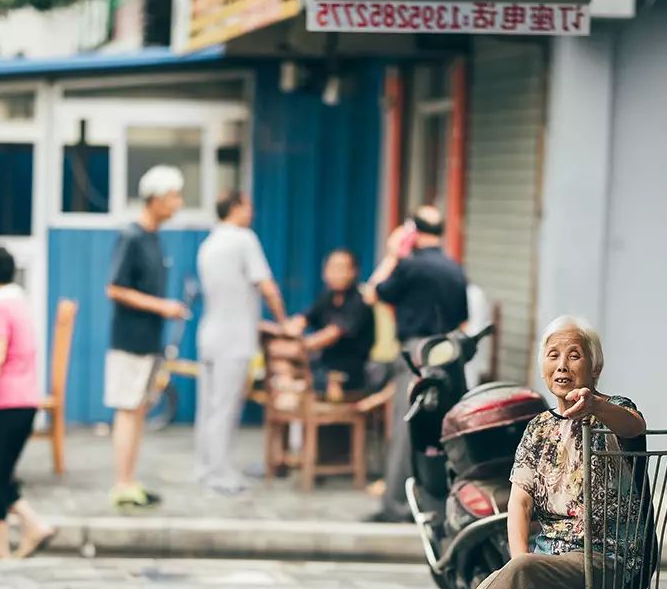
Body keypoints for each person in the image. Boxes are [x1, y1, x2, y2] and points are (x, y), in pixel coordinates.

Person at [386, 316, 649, 589]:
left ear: (594, 367)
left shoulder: (613, 410)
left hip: (609, 563)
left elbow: (635, 427)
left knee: (519, 573)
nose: (563, 364)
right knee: (514, 587)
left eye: (574, 354)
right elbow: (520, 505)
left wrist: (596, 406)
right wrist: (521, 564)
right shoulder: (538, 429)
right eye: (553, 355)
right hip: (550, 565)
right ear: (543, 368)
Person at [363, 205, 469, 522]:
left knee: (407, 426)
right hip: (449, 354)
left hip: (417, 354)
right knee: (442, 431)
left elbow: (373, 292)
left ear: (413, 231)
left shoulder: (409, 266)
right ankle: (438, 508)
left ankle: (397, 506)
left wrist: (394, 252)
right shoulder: (454, 268)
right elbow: (463, 318)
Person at [104, 165, 189, 509]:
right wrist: (162, 306)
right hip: (130, 339)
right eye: (173, 197)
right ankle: (121, 483)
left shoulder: (153, 236)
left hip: (149, 339)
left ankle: (131, 480)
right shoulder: (132, 235)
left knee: (138, 409)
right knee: (127, 409)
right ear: (154, 199)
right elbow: (114, 288)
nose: (178, 204)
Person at [195, 191, 289, 494]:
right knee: (225, 407)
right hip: (234, 338)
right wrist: (284, 322)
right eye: (249, 206)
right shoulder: (243, 239)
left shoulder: (209, 244)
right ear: (235, 208)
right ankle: (220, 474)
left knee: (208, 406)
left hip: (209, 333)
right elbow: (266, 286)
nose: (252, 212)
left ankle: (204, 466)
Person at [0, 246, 55, 560]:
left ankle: (1, 546)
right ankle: (31, 527)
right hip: (26, 401)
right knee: (1, 473)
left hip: (4, 403)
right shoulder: (20, 304)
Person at [277, 248, 376, 395]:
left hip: (350, 369)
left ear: (354, 272)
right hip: (323, 363)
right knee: (283, 370)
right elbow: (303, 319)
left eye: (341, 268)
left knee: (324, 379)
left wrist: (299, 346)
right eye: (332, 268)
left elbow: (332, 334)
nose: (336, 273)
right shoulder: (326, 298)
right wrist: (287, 331)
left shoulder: (360, 301)